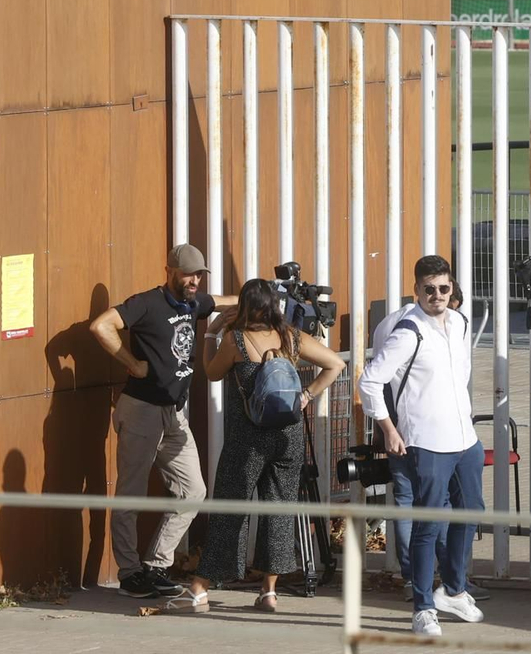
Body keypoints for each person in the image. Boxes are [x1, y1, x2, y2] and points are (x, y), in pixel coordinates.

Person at [166, 278, 345, 612]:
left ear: (244, 307)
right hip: (287, 437)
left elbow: (212, 371)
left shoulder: (236, 340)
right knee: (278, 510)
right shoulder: (291, 337)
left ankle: (200, 588)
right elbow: (337, 364)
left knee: (231, 510)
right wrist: (306, 395)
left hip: (246, 439)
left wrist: (210, 334)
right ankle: (269, 593)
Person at [88, 243, 238, 600]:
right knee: (131, 494)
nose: (195, 280)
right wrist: (131, 362)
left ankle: (155, 565)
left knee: (194, 491)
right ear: (170, 269)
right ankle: (129, 574)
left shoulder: (193, 303)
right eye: (188, 273)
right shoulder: (146, 302)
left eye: (199, 274)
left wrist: (263, 297)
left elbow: (224, 301)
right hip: (141, 408)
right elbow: (101, 326)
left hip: (174, 413)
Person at [359, 254, 486, 638]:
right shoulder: (407, 331)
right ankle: (422, 607)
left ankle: (454, 589)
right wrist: (388, 429)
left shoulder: (460, 323)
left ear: (452, 288)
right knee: (428, 522)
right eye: (429, 289)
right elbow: (369, 381)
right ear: (416, 291)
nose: (437, 295)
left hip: (465, 437)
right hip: (426, 441)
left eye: (444, 288)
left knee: (470, 511)